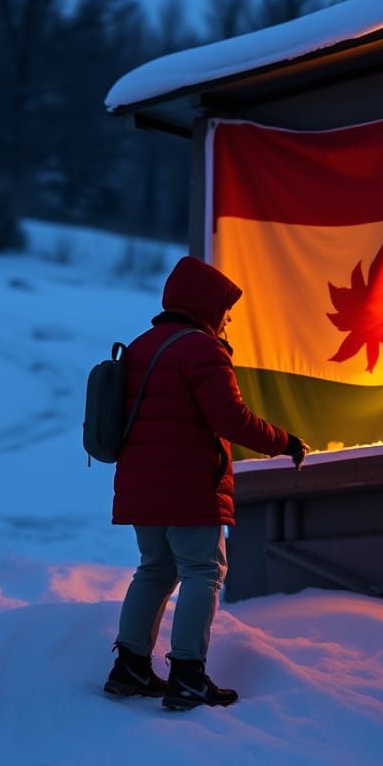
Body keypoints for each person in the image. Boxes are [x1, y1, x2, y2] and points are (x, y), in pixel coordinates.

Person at [104, 255, 308, 710]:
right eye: (225, 311)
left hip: (139, 486)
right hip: (189, 486)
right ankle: (188, 676)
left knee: (154, 569)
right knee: (203, 572)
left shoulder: (141, 346)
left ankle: (130, 667)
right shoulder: (202, 349)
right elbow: (230, 418)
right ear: (206, 305)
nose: (227, 321)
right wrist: (285, 441)